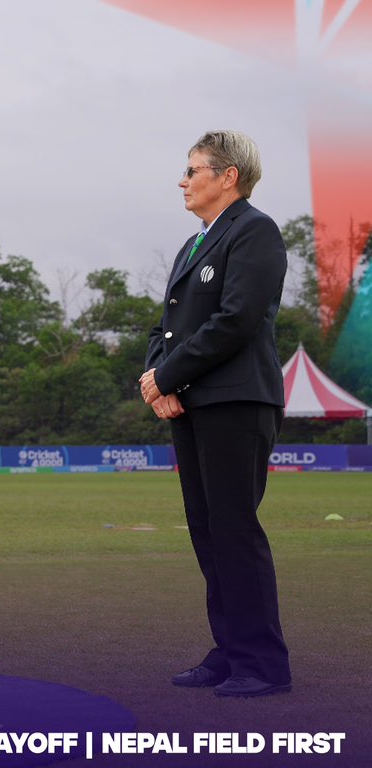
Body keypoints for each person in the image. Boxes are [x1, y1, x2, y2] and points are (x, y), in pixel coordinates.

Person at [140, 131, 291, 698]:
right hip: (194, 401)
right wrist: (157, 380)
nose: (182, 181)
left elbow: (236, 320)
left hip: (236, 400)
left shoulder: (255, 230)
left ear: (228, 176)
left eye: (192, 170)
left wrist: (169, 375)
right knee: (208, 532)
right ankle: (230, 650)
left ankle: (263, 663)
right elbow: (166, 328)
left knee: (233, 530)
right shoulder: (193, 243)